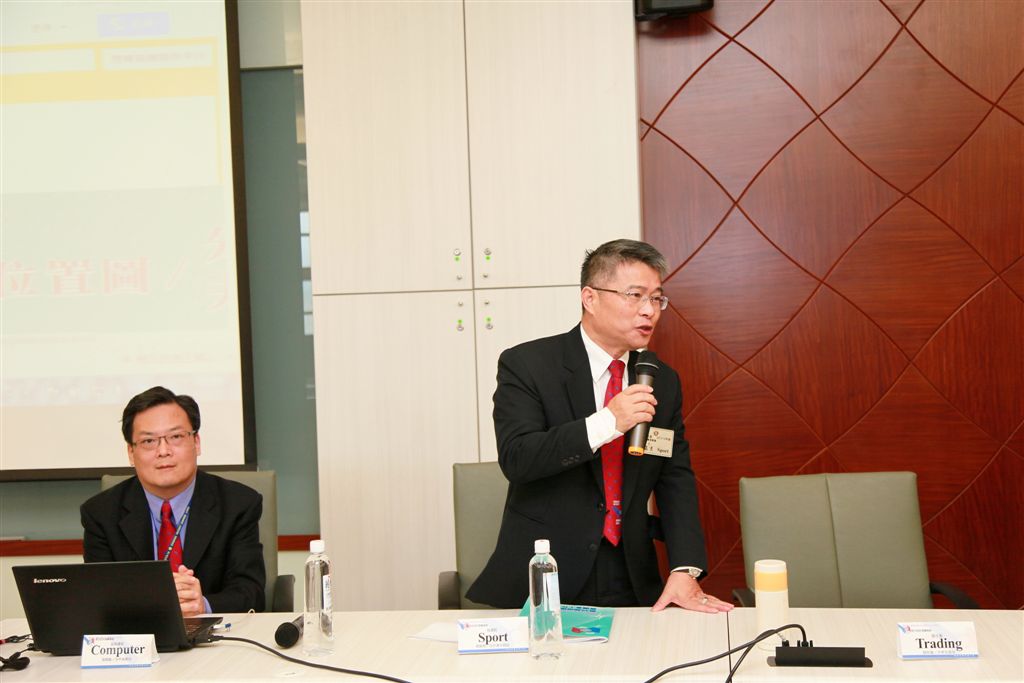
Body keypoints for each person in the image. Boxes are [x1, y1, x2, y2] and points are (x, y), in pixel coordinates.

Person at [467, 239, 732, 613]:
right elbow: (518, 458)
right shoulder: (528, 364)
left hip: (631, 573)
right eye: (635, 296)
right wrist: (609, 421)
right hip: (547, 572)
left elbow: (674, 477)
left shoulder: (661, 380)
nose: (649, 311)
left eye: (657, 299)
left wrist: (685, 567)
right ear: (590, 298)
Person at [81, 386, 265, 615]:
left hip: (219, 633)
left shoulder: (238, 505)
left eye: (176, 437)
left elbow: (251, 593)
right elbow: (100, 598)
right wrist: (154, 601)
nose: (163, 451)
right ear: (130, 453)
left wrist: (203, 605)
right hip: (140, 633)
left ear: (196, 443)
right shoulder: (101, 514)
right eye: (149, 441)